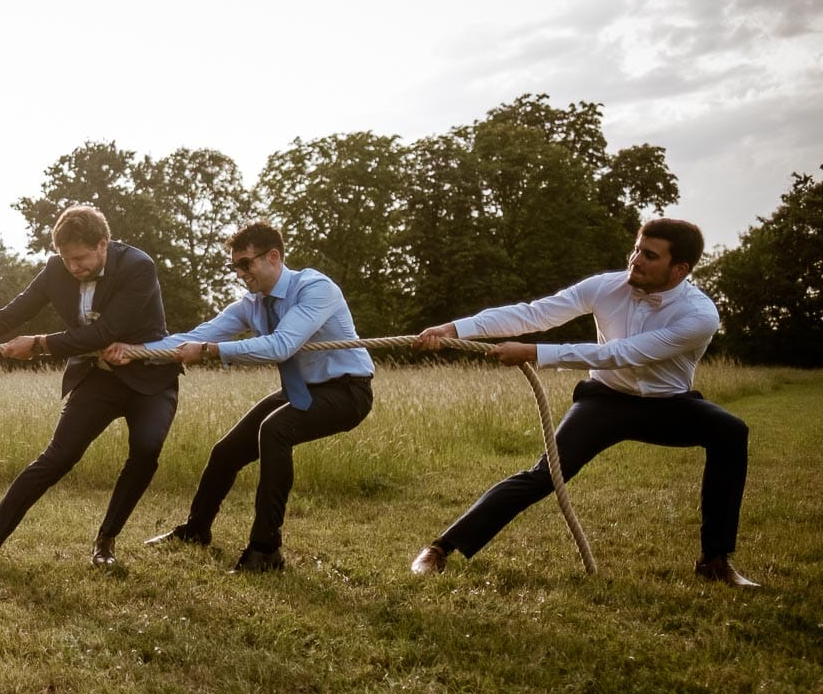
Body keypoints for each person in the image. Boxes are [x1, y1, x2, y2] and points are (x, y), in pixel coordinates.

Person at [409, 218, 756, 587]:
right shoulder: (605, 286)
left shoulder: (699, 316)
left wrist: (535, 353)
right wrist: (454, 329)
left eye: (649, 255)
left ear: (680, 269)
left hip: (668, 404)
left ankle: (715, 561)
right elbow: (534, 313)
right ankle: (441, 548)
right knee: (544, 475)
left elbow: (622, 353)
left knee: (730, 432)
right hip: (605, 400)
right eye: (636, 249)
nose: (635, 260)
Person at [0, 204, 180, 567]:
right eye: (67, 259)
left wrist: (39, 344)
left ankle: (106, 541)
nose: (74, 267)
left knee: (146, 450)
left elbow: (106, 332)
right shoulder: (57, 270)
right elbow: (11, 313)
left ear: (103, 244)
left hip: (149, 377)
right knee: (57, 458)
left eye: (81, 258)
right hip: (97, 377)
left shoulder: (138, 266)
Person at [105, 221, 374, 573]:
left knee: (275, 431)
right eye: (235, 266)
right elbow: (196, 336)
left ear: (273, 257)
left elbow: (281, 346)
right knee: (226, 451)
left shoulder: (315, 288)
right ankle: (196, 530)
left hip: (347, 390)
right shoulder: (252, 305)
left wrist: (213, 351)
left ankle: (266, 551)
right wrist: (136, 351)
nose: (240, 273)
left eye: (246, 263)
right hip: (301, 390)